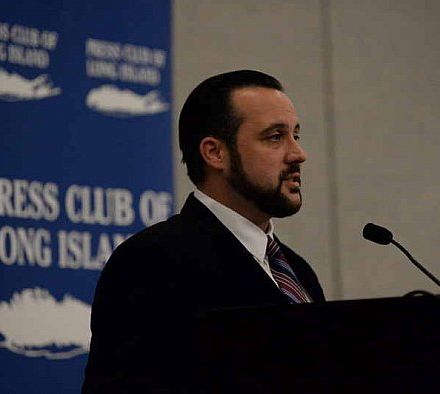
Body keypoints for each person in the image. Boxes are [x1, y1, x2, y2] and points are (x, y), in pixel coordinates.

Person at [81, 69, 325, 393]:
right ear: (215, 153)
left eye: (296, 135)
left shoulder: (298, 271)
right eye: (275, 137)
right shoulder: (151, 261)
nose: (298, 154)